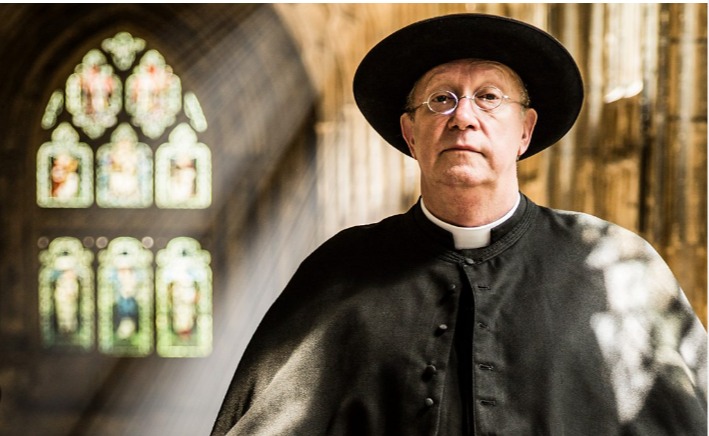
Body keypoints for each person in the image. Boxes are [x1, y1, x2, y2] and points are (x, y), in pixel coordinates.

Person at [212, 13, 707, 435]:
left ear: (525, 131)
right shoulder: (340, 272)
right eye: (441, 99)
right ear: (410, 133)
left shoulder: (619, 266)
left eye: (489, 97)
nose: (463, 117)